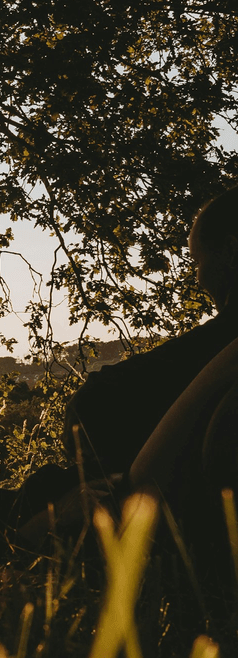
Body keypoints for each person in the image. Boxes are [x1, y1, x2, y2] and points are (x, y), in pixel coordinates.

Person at [64, 188, 238, 482]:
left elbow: (90, 409)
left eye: (197, 262)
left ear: (231, 253)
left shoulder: (224, 344)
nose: (197, 279)